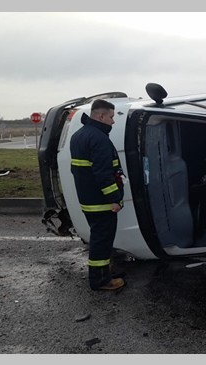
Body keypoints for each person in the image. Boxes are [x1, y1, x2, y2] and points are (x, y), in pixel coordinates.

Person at [70, 99, 126, 291]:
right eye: (111, 117)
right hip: (101, 202)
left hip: (89, 200)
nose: (113, 121)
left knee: (99, 239)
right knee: (102, 241)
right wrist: (114, 199)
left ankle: (103, 272)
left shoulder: (80, 135)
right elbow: (103, 174)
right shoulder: (99, 139)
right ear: (100, 116)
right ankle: (100, 280)